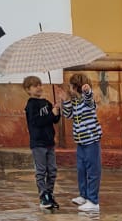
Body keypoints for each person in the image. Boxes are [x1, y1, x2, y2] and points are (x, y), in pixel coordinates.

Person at [59, 73, 101, 213]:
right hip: (80, 141)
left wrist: (87, 91)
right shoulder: (75, 102)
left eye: (71, 86)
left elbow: (90, 100)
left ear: (76, 86)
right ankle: (84, 195)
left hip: (91, 140)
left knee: (92, 171)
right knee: (81, 169)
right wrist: (65, 101)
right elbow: (69, 115)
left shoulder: (86, 100)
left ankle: (93, 201)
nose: (69, 88)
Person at [23, 76, 60, 210]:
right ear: (28, 90)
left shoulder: (46, 102)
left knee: (52, 170)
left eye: (39, 84)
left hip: (49, 142)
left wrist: (56, 111)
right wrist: (51, 115)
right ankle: (43, 195)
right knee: (41, 171)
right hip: (38, 143)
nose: (38, 87)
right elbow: (36, 122)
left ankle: (49, 193)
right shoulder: (31, 105)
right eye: (34, 86)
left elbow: (54, 120)